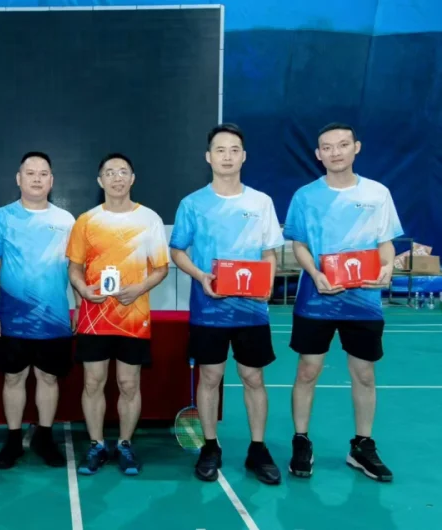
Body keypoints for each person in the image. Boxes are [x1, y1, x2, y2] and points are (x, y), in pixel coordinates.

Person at [284, 122, 401, 483]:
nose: (335, 152)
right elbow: (299, 244)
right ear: (318, 154)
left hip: (363, 301)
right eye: (327, 147)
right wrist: (314, 273)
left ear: (356, 148)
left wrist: (386, 266)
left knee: (364, 373)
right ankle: (301, 441)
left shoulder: (378, 193)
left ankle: (362, 446)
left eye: (343, 145)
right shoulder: (305, 196)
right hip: (315, 298)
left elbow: (385, 242)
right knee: (308, 370)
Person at [169, 124, 284, 485]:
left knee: (253, 377)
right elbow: (177, 251)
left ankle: (258, 449)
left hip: (251, 311)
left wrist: (268, 282)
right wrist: (201, 276)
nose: (228, 156)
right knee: (210, 376)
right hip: (209, 309)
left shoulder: (261, 202)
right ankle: (210, 446)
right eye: (220, 150)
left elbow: (269, 252)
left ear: (244, 156)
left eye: (234, 150)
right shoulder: (192, 203)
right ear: (209, 157)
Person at [66, 153, 170, 476]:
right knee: (93, 382)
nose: (117, 178)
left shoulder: (149, 219)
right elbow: (74, 268)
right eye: (110, 173)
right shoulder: (86, 221)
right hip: (94, 317)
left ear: (132, 178)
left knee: (128, 383)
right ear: (100, 181)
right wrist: (83, 291)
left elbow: (161, 268)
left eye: (123, 172)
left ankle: (125, 444)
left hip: (132, 317)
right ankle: (96, 445)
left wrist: (139, 288)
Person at [0, 152, 78, 469]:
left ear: (51, 180)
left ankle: (45, 438)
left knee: (49, 378)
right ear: (18, 178)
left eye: (43, 173)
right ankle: (12, 441)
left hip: (54, 318)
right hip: (12, 318)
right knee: (14, 378)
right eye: (30, 173)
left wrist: (79, 306)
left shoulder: (66, 221)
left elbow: (76, 269)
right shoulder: (1, 218)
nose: (37, 178)